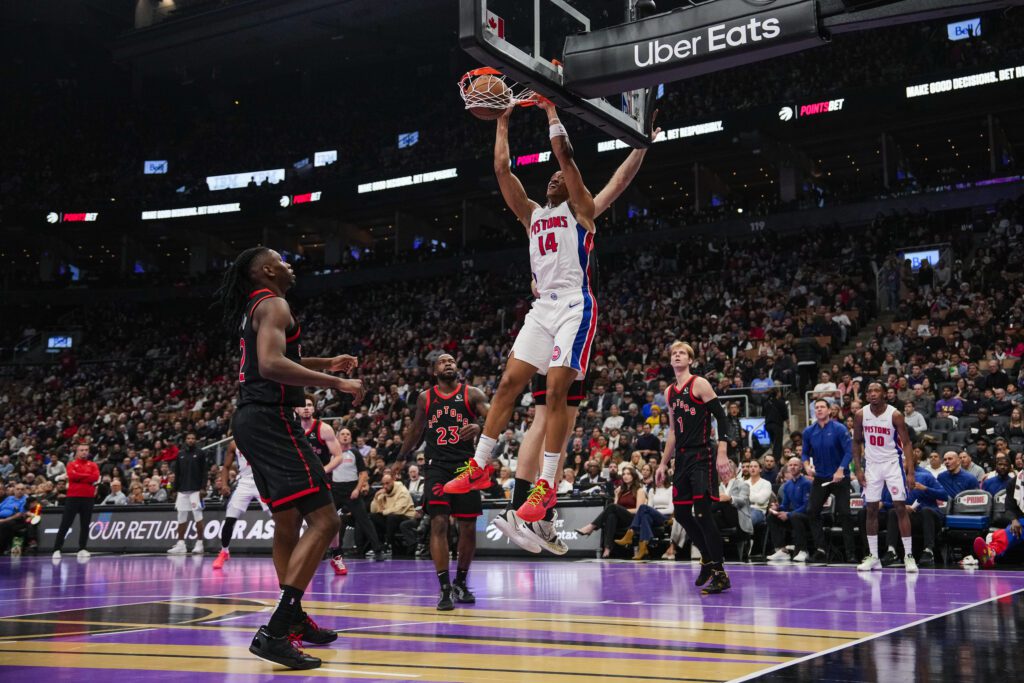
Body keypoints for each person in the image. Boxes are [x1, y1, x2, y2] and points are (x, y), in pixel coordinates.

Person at [443, 98, 600, 533]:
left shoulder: (580, 211)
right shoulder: (532, 215)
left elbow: (564, 156)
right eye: (549, 177)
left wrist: (550, 112)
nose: (553, 178)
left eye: (559, 178)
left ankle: (546, 484)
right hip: (543, 305)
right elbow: (501, 172)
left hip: (575, 304)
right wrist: (503, 120)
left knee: (554, 393)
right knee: (509, 384)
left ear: (572, 188)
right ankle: (480, 464)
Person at [216, 246, 364, 670]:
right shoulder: (276, 302)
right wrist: (336, 380)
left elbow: (279, 356)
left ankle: (294, 619)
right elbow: (270, 363)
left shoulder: (256, 306)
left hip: (249, 419)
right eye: (281, 259)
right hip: (271, 419)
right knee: (327, 520)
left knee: (287, 520)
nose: (289, 264)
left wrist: (322, 361)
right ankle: (276, 630)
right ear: (265, 270)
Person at [394, 354, 489, 610]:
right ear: (434, 370)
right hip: (436, 467)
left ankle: (460, 581)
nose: (449, 364)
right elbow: (415, 430)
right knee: (438, 522)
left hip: (465, 466)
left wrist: (480, 427)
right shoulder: (426, 397)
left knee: (467, 527)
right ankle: (444, 587)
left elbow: (495, 417)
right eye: (443, 361)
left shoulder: (472, 393)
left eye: (452, 361)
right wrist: (400, 458)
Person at [655, 341, 733, 594]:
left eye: (682, 353)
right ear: (670, 361)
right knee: (682, 514)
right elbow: (672, 431)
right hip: (682, 458)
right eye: (674, 353)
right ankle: (708, 560)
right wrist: (663, 462)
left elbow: (722, 417)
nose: (677, 355)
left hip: (703, 454)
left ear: (690, 360)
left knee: (703, 513)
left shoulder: (699, 383)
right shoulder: (669, 392)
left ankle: (720, 571)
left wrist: (722, 452)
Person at [854, 382, 917, 573]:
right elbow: (856, 442)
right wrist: (857, 468)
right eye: (870, 391)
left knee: (900, 507)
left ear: (885, 394)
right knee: (871, 509)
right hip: (872, 466)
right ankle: (874, 556)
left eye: (877, 391)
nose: (873, 394)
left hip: (892, 464)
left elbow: (906, 443)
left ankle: (908, 555)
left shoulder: (895, 415)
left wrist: (910, 471)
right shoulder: (860, 415)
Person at [801, 399, 856, 563]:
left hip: (840, 477)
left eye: (822, 407)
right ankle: (821, 549)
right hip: (820, 477)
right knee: (812, 511)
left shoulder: (839, 428)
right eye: (816, 407)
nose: (819, 410)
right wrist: (806, 466)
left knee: (845, 513)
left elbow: (849, 451)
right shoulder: (809, 431)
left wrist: (840, 470)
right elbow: (804, 453)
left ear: (829, 411)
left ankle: (851, 553)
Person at [328, 428, 384, 566]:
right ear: (337, 437)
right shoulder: (332, 453)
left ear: (351, 438)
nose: (345, 436)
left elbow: (363, 474)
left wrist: (357, 489)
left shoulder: (355, 453)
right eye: (343, 434)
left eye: (348, 434)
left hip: (352, 491)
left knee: (365, 521)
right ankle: (331, 551)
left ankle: (378, 550)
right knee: (328, 521)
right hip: (335, 490)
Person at [214, 440, 272, 570]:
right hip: (244, 483)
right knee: (230, 519)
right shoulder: (234, 444)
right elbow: (226, 467)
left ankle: (290, 551)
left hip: (262, 482)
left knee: (278, 519)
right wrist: (224, 484)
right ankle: (224, 551)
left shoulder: (263, 436)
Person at [882, 450, 945, 567]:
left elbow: (944, 495)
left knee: (926, 511)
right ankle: (891, 551)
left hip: (928, 516)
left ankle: (928, 551)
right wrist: (901, 506)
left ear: (912, 463)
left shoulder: (925, 476)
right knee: (892, 512)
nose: (900, 464)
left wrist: (925, 489)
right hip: (908, 518)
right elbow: (887, 503)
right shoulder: (893, 480)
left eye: (903, 461)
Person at [576, 464, 646, 558]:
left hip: (632, 519)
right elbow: (615, 508)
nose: (625, 476)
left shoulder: (639, 490)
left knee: (612, 507)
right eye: (624, 474)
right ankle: (607, 548)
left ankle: (591, 527)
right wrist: (617, 495)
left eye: (628, 474)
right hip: (620, 520)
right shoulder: (619, 490)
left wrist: (622, 510)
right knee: (611, 516)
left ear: (633, 476)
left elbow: (639, 510)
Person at [52, 443, 100, 560]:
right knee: (66, 523)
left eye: (86, 450)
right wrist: (86, 477)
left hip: (88, 498)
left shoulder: (93, 465)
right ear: (77, 452)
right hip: (73, 497)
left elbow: (95, 477)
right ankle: (57, 549)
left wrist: (80, 477)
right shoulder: (71, 464)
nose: (84, 452)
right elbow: (72, 476)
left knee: (85, 524)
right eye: (81, 450)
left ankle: (82, 548)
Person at [167, 433, 209, 555]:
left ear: (195, 440)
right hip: (182, 490)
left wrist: (203, 488)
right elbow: (177, 473)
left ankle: (199, 543)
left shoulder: (200, 453)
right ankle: (181, 544)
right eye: (188, 438)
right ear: (185, 440)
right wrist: (175, 489)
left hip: (196, 490)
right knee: (181, 517)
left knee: (198, 517)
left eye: (193, 438)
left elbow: (204, 472)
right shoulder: (180, 454)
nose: (190, 440)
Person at [973, 471, 1024, 568]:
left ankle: (992, 551)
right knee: (1015, 529)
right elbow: (1009, 508)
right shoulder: (1014, 482)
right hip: (1020, 522)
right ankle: (991, 553)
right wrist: (1013, 520)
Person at [617, 473, 673, 560]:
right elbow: (649, 507)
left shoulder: (670, 489)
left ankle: (631, 532)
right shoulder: (652, 490)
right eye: (656, 476)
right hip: (652, 515)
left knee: (643, 508)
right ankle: (643, 548)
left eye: (660, 476)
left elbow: (671, 509)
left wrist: (654, 511)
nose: (658, 478)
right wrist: (652, 511)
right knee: (645, 516)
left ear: (665, 477)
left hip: (665, 517)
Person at [766, 457, 812, 561]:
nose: (792, 467)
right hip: (793, 517)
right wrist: (777, 508)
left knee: (795, 516)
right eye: (790, 465)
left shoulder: (807, 483)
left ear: (801, 467)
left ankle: (803, 551)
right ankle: (782, 550)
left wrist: (788, 515)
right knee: (771, 517)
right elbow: (785, 505)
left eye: (795, 465)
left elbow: (807, 506)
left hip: (807, 518)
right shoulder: (787, 485)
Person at [369, 472, 416, 554]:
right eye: (383, 484)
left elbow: (399, 510)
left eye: (387, 483)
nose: (385, 486)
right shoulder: (384, 492)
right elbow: (373, 510)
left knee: (392, 517)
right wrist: (376, 497)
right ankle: (377, 544)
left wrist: (383, 512)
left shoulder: (402, 491)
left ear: (393, 481)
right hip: (389, 517)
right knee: (372, 516)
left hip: (406, 516)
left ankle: (388, 543)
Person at [0, 483, 30, 554]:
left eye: (22, 489)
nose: (20, 491)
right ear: (14, 490)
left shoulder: (25, 500)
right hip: (1, 518)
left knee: (3, 526)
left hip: (15, 520)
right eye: (18, 489)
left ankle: (1, 549)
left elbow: (19, 514)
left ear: (25, 491)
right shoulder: (9, 498)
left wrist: (4, 520)